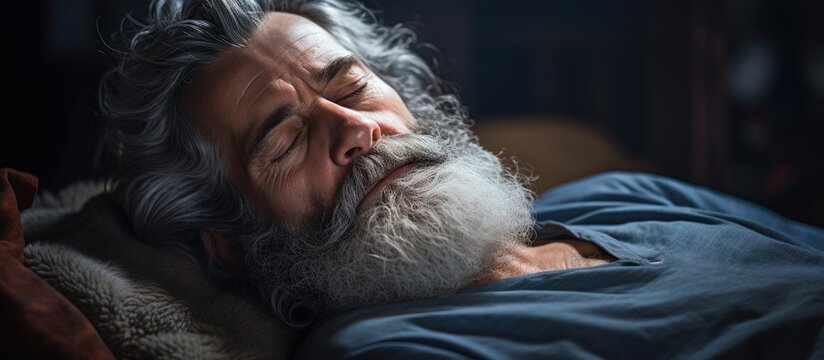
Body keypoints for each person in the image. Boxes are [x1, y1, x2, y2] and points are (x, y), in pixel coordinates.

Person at [99, 0, 824, 358]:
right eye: (284, 138)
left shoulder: (615, 194)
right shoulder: (394, 350)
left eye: (352, 88)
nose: (358, 130)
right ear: (230, 241)